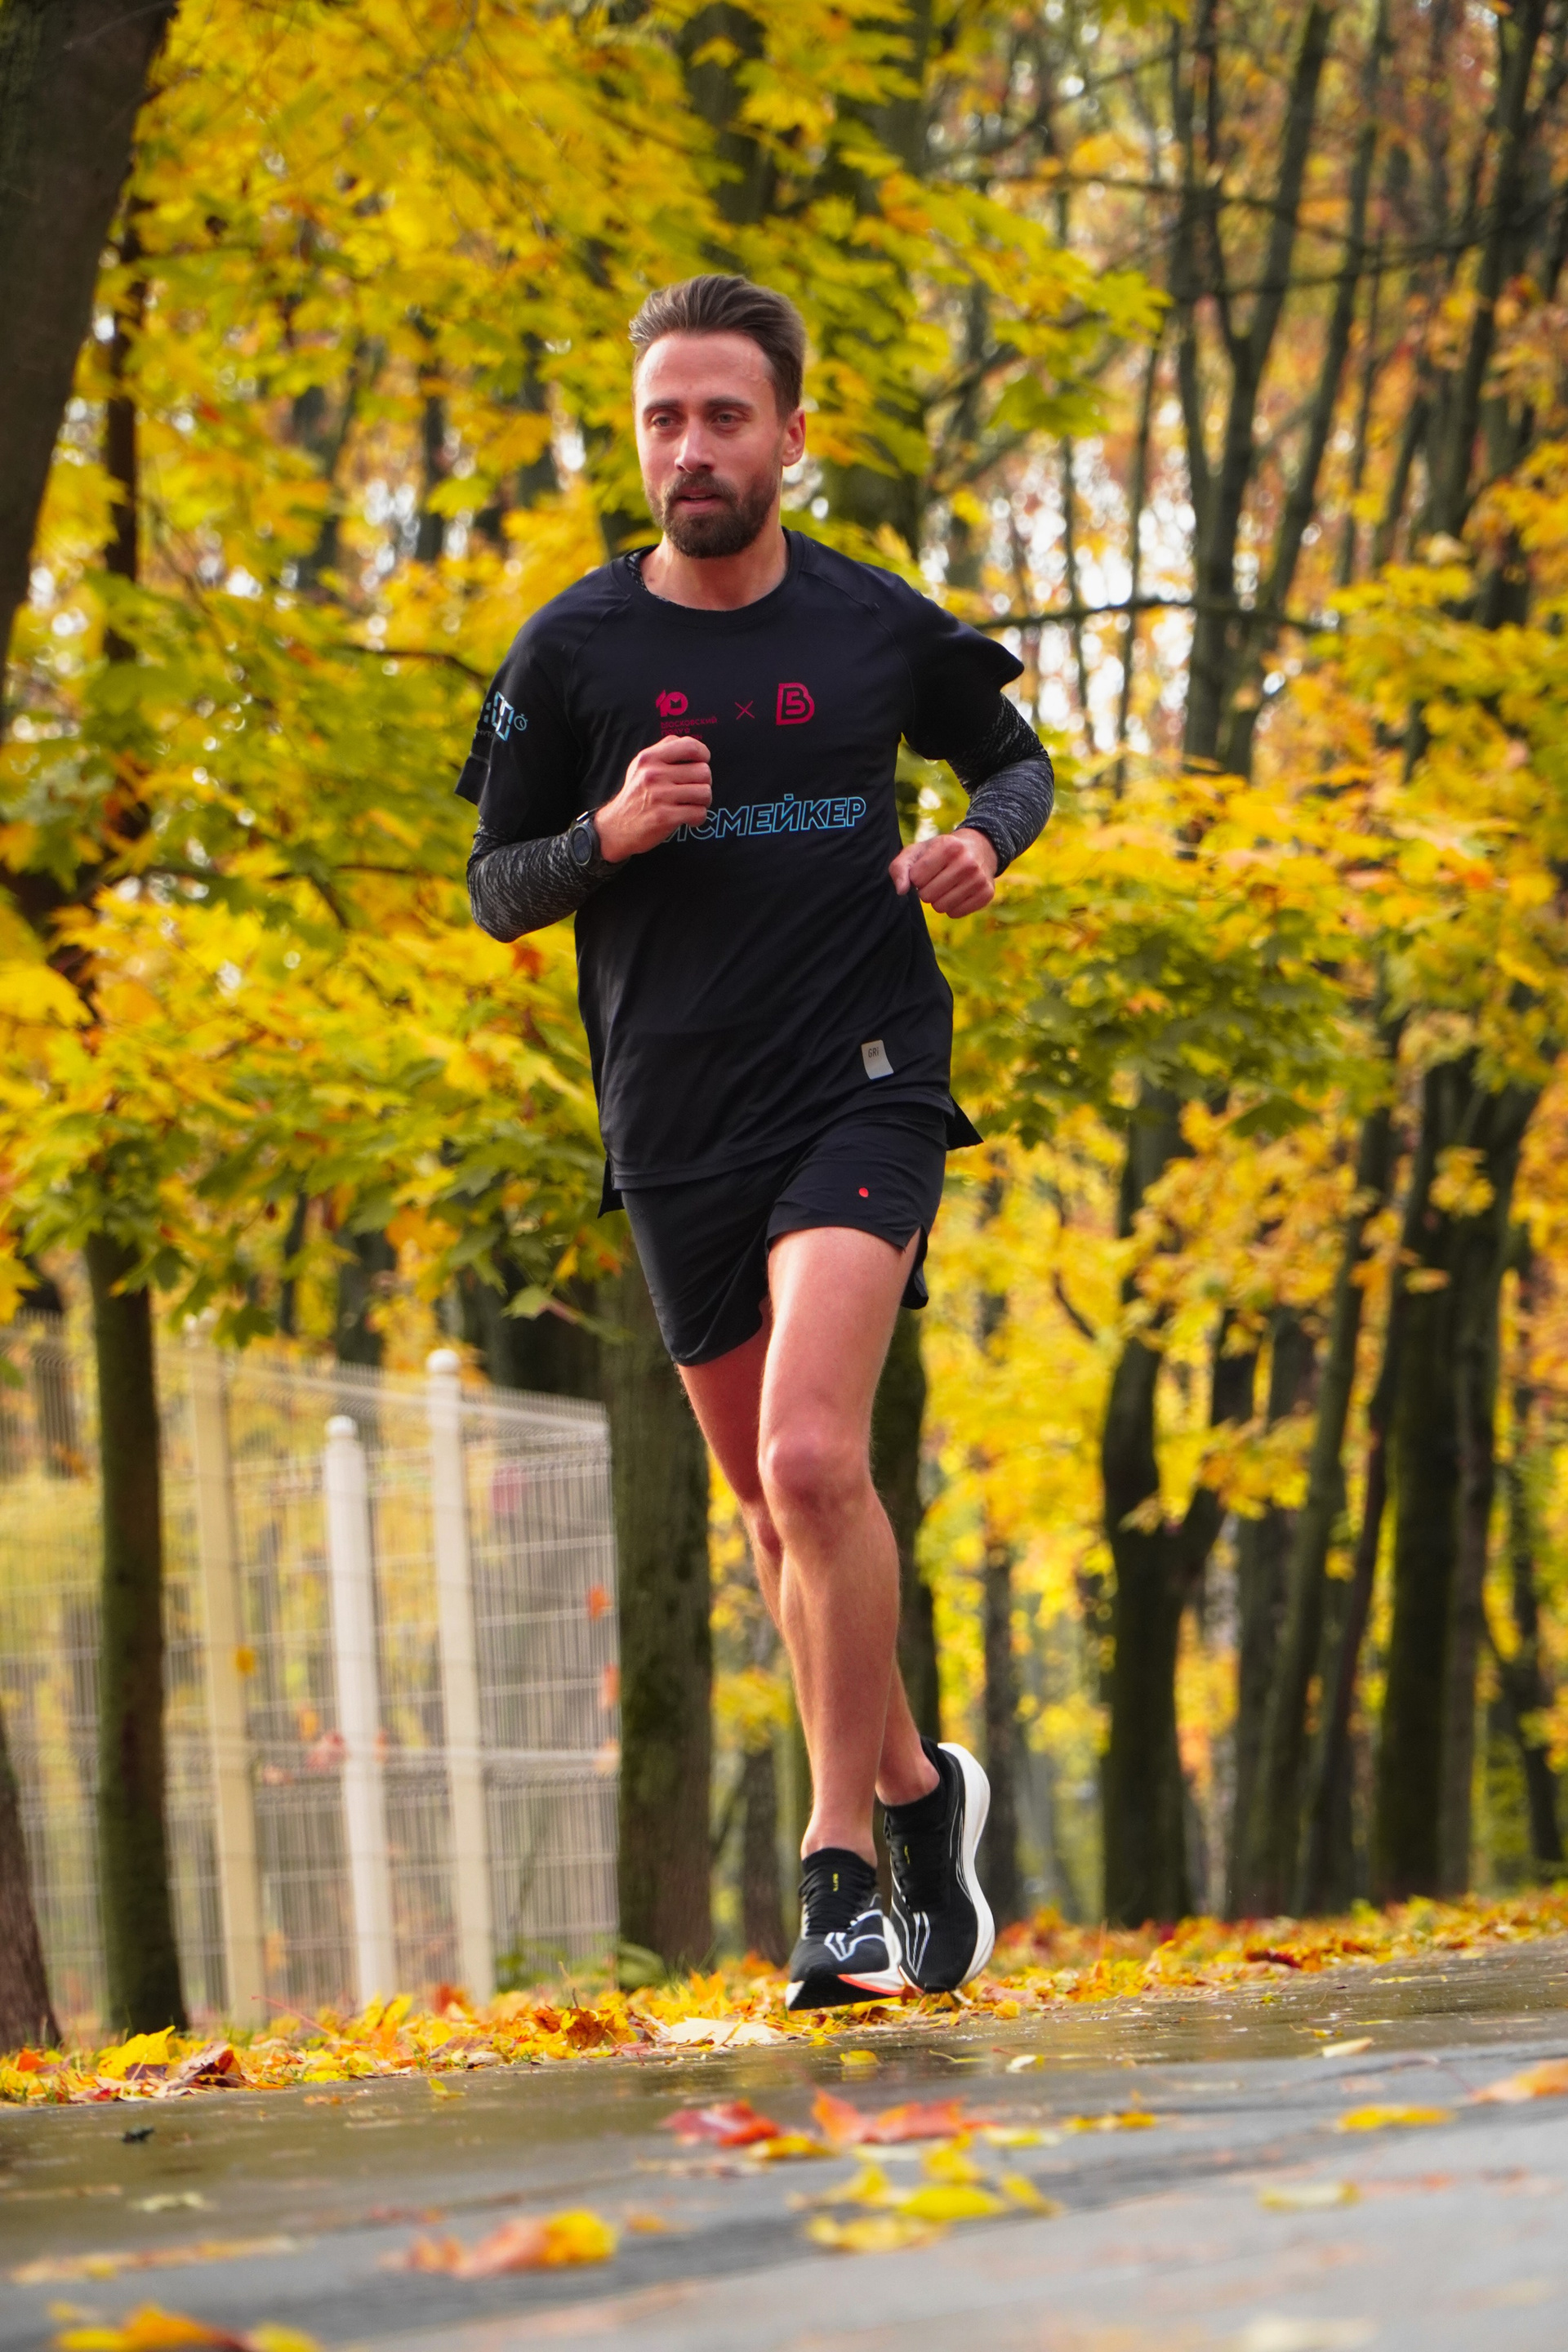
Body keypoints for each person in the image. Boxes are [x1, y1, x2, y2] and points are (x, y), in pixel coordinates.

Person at [459, 274, 1053, 2008]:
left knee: (809, 1459)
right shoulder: (572, 653)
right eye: (665, 418)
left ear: (792, 433)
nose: (693, 449)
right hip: (674, 1116)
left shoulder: (871, 623)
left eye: (725, 415)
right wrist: (607, 835)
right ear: (637, 440)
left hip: (863, 1073)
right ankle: (921, 1790)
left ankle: (837, 1871)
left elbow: (1014, 762)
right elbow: (496, 888)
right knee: (777, 1517)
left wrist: (982, 843)